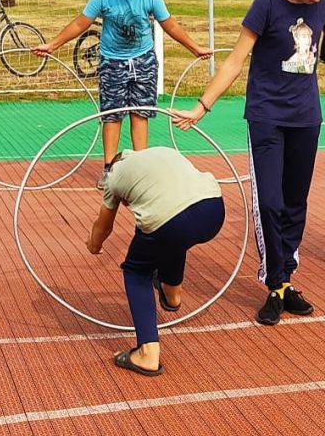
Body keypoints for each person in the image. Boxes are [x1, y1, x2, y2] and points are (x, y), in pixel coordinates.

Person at [171, 0, 325, 326]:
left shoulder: (324, 6)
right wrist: (202, 106)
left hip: (306, 118)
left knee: (296, 204)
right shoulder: (267, 5)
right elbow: (235, 61)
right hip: (267, 118)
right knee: (270, 203)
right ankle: (274, 281)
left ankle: (286, 278)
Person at [33, 0, 211, 189]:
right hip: (112, 60)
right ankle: (109, 169)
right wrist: (53, 45)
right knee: (112, 115)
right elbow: (80, 23)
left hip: (143, 59)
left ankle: (140, 169)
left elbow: (169, 24)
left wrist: (194, 48)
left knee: (140, 113)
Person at [87, 147, 224, 377]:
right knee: (172, 239)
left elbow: (104, 226)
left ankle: (147, 353)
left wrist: (94, 245)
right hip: (213, 209)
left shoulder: (115, 176)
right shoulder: (162, 151)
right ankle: (172, 294)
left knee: (136, 271)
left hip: (170, 220)